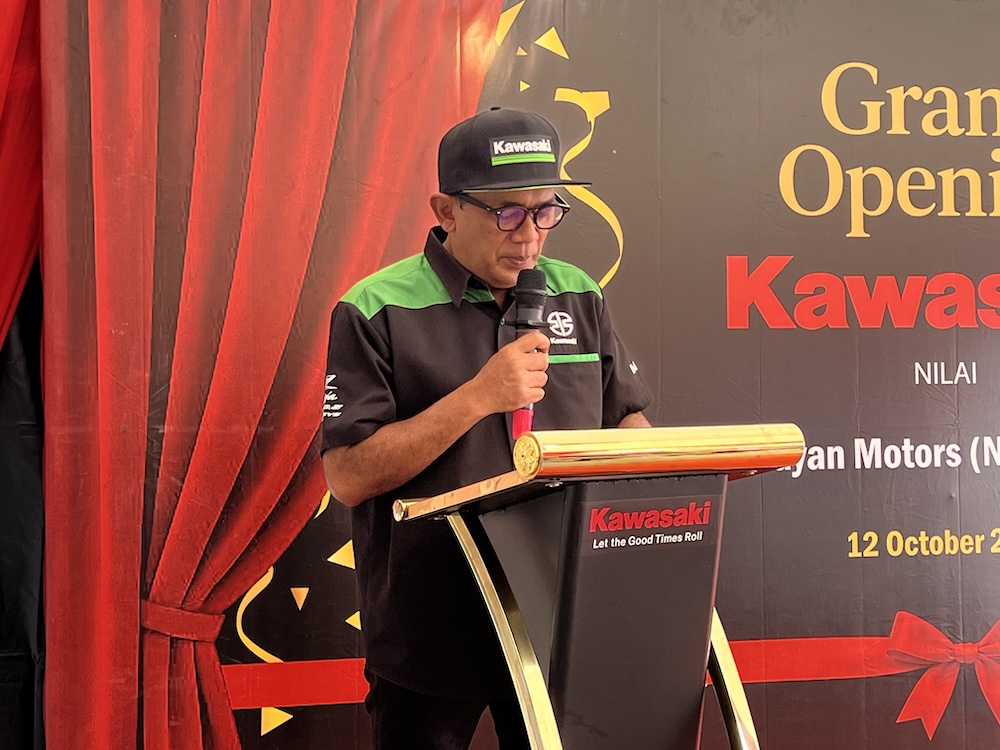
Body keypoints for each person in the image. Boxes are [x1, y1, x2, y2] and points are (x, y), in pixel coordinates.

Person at [321, 106, 652, 750]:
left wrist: (659, 475)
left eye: (546, 211)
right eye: (507, 213)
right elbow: (349, 476)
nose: (529, 237)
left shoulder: (578, 293)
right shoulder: (375, 308)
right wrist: (478, 397)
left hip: (562, 620)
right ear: (446, 211)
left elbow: (625, 420)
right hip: (429, 629)